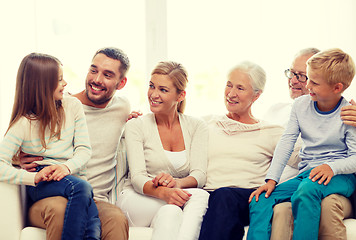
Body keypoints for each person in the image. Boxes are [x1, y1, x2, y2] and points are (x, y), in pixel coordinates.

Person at [248, 48, 356, 240]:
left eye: (314, 82)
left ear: (337, 87)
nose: (307, 85)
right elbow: (286, 142)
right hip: (308, 175)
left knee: (306, 191)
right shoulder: (300, 106)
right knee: (260, 200)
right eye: (307, 78)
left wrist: (331, 167)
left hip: (340, 176)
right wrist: (271, 180)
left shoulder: (348, 113)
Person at [19, 47, 131, 240]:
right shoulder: (61, 105)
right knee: (60, 209)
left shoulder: (123, 108)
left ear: (121, 83)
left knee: (116, 218)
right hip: (50, 197)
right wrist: (18, 157)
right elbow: (19, 132)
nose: (96, 80)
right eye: (93, 70)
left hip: (93, 200)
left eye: (107, 75)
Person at [1, 53, 100, 240]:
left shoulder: (73, 106)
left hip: (68, 174)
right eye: (60, 79)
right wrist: (31, 176)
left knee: (92, 217)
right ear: (42, 86)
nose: (65, 83)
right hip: (43, 177)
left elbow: (84, 149)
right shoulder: (24, 123)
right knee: (82, 188)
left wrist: (66, 167)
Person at [116, 61, 209, 240]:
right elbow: (137, 178)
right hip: (136, 200)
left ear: (180, 95)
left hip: (170, 198)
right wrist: (163, 192)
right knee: (182, 203)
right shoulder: (137, 125)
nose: (154, 94)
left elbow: (200, 175)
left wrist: (176, 184)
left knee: (179, 207)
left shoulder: (197, 126)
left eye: (163, 90)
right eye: (152, 86)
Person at [198, 61, 285, 240]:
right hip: (209, 196)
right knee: (220, 197)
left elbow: (307, 155)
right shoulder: (206, 123)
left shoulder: (271, 131)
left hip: (248, 197)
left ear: (256, 95)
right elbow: (173, 128)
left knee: (224, 196)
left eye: (240, 88)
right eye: (229, 85)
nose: (231, 93)